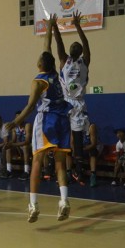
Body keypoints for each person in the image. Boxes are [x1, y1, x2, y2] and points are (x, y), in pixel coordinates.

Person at [9, 18, 72, 223]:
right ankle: (64, 200)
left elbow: (29, 107)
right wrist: (51, 26)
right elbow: (47, 46)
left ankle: (33, 204)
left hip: (47, 120)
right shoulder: (55, 74)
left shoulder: (38, 81)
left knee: (37, 160)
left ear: (39, 64)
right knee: (60, 162)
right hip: (64, 119)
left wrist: (16, 121)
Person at [48, 11, 91, 183]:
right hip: (65, 102)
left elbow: (86, 43)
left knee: (78, 140)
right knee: (60, 137)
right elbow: (58, 43)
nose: (74, 46)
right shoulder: (64, 60)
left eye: (76, 45)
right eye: (72, 45)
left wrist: (78, 26)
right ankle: (57, 169)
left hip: (78, 104)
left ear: (79, 51)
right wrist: (54, 27)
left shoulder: (84, 62)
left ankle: (79, 171)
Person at [6, 113, 32, 180]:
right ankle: (8, 171)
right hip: (19, 146)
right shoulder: (14, 127)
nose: (18, 119)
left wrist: (14, 144)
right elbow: (14, 140)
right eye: (17, 118)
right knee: (8, 148)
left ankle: (26, 172)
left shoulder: (27, 125)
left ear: (23, 117)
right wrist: (8, 144)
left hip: (30, 147)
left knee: (25, 147)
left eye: (20, 117)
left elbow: (27, 141)